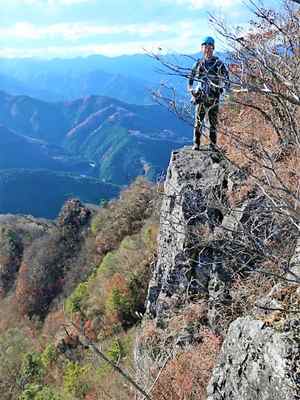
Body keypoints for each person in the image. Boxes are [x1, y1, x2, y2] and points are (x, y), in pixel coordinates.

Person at [188, 36, 230, 150]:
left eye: (209, 47)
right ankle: (196, 143)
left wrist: (227, 90)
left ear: (213, 48)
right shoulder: (199, 63)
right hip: (201, 96)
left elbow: (226, 77)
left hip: (214, 97)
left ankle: (212, 144)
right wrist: (191, 91)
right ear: (202, 48)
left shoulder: (218, 63)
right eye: (205, 47)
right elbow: (191, 77)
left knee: (213, 123)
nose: (207, 49)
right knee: (198, 122)